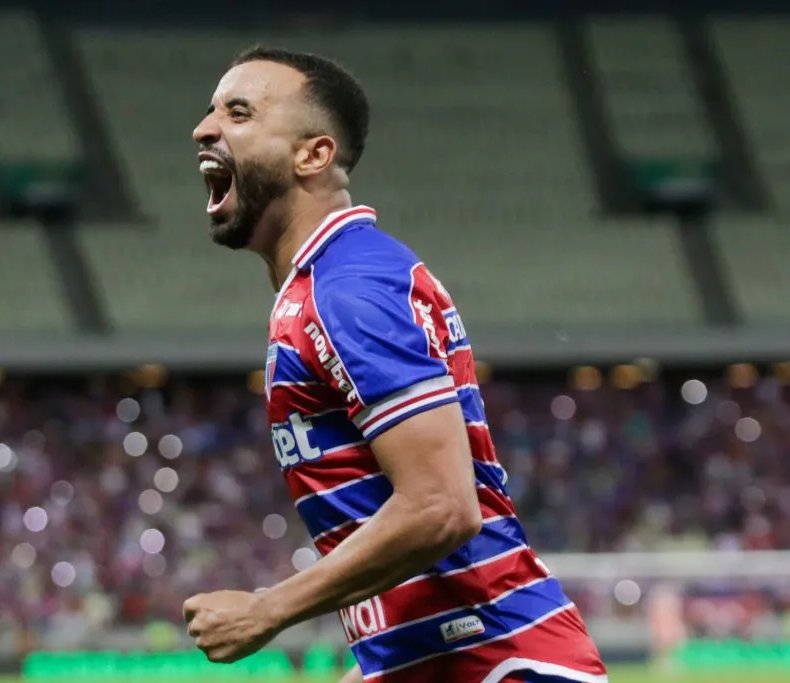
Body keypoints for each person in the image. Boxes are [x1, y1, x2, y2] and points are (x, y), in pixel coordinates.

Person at [182, 46, 608, 683]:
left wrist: (267, 611)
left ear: (313, 155)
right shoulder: (329, 283)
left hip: (502, 665)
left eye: (238, 113)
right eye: (212, 110)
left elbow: (442, 506)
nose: (205, 128)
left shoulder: (346, 288)